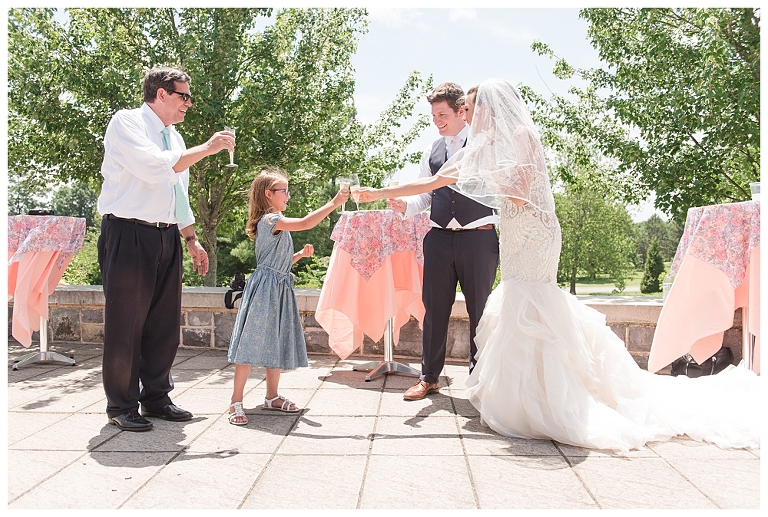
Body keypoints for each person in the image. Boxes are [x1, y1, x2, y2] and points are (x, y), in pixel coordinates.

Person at [357, 78, 760, 453]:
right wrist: (378, 191)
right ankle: (523, 396)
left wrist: (479, 177)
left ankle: (553, 397)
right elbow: (429, 184)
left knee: (533, 305)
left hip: (535, 233)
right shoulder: (480, 148)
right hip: (514, 236)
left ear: (493, 109)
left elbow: (517, 196)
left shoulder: (521, 137)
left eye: (475, 109)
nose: (470, 117)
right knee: (515, 310)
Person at [97, 66, 235, 431]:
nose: (189, 103)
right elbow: (154, 169)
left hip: (165, 237)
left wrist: (190, 239)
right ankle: (121, 406)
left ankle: (156, 398)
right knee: (126, 324)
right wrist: (207, 149)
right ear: (161, 93)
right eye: (183, 95)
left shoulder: (174, 138)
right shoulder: (126, 123)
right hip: (127, 234)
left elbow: (177, 192)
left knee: (163, 325)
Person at [386, 82, 499, 401]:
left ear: (462, 112)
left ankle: (479, 380)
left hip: (478, 238)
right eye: (433, 114)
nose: (437, 120)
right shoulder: (432, 151)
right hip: (437, 239)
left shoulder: (483, 146)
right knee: (434, 310)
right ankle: (429, 377)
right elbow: (426, 194)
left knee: (480, 311)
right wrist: (405, 206)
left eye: (442, 113)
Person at [226, 168, 348, 425]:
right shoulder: (270, 220)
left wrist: (298, 257)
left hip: (279, 286)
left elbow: (276, 263)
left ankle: (272, 397)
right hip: (265, 290)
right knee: (250, 343)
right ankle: (236, 401)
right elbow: (305, 223)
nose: (289, 196)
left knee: (276, 341)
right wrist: (334, 203)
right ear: (269, 194)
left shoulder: (275, 222)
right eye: (285, 191)